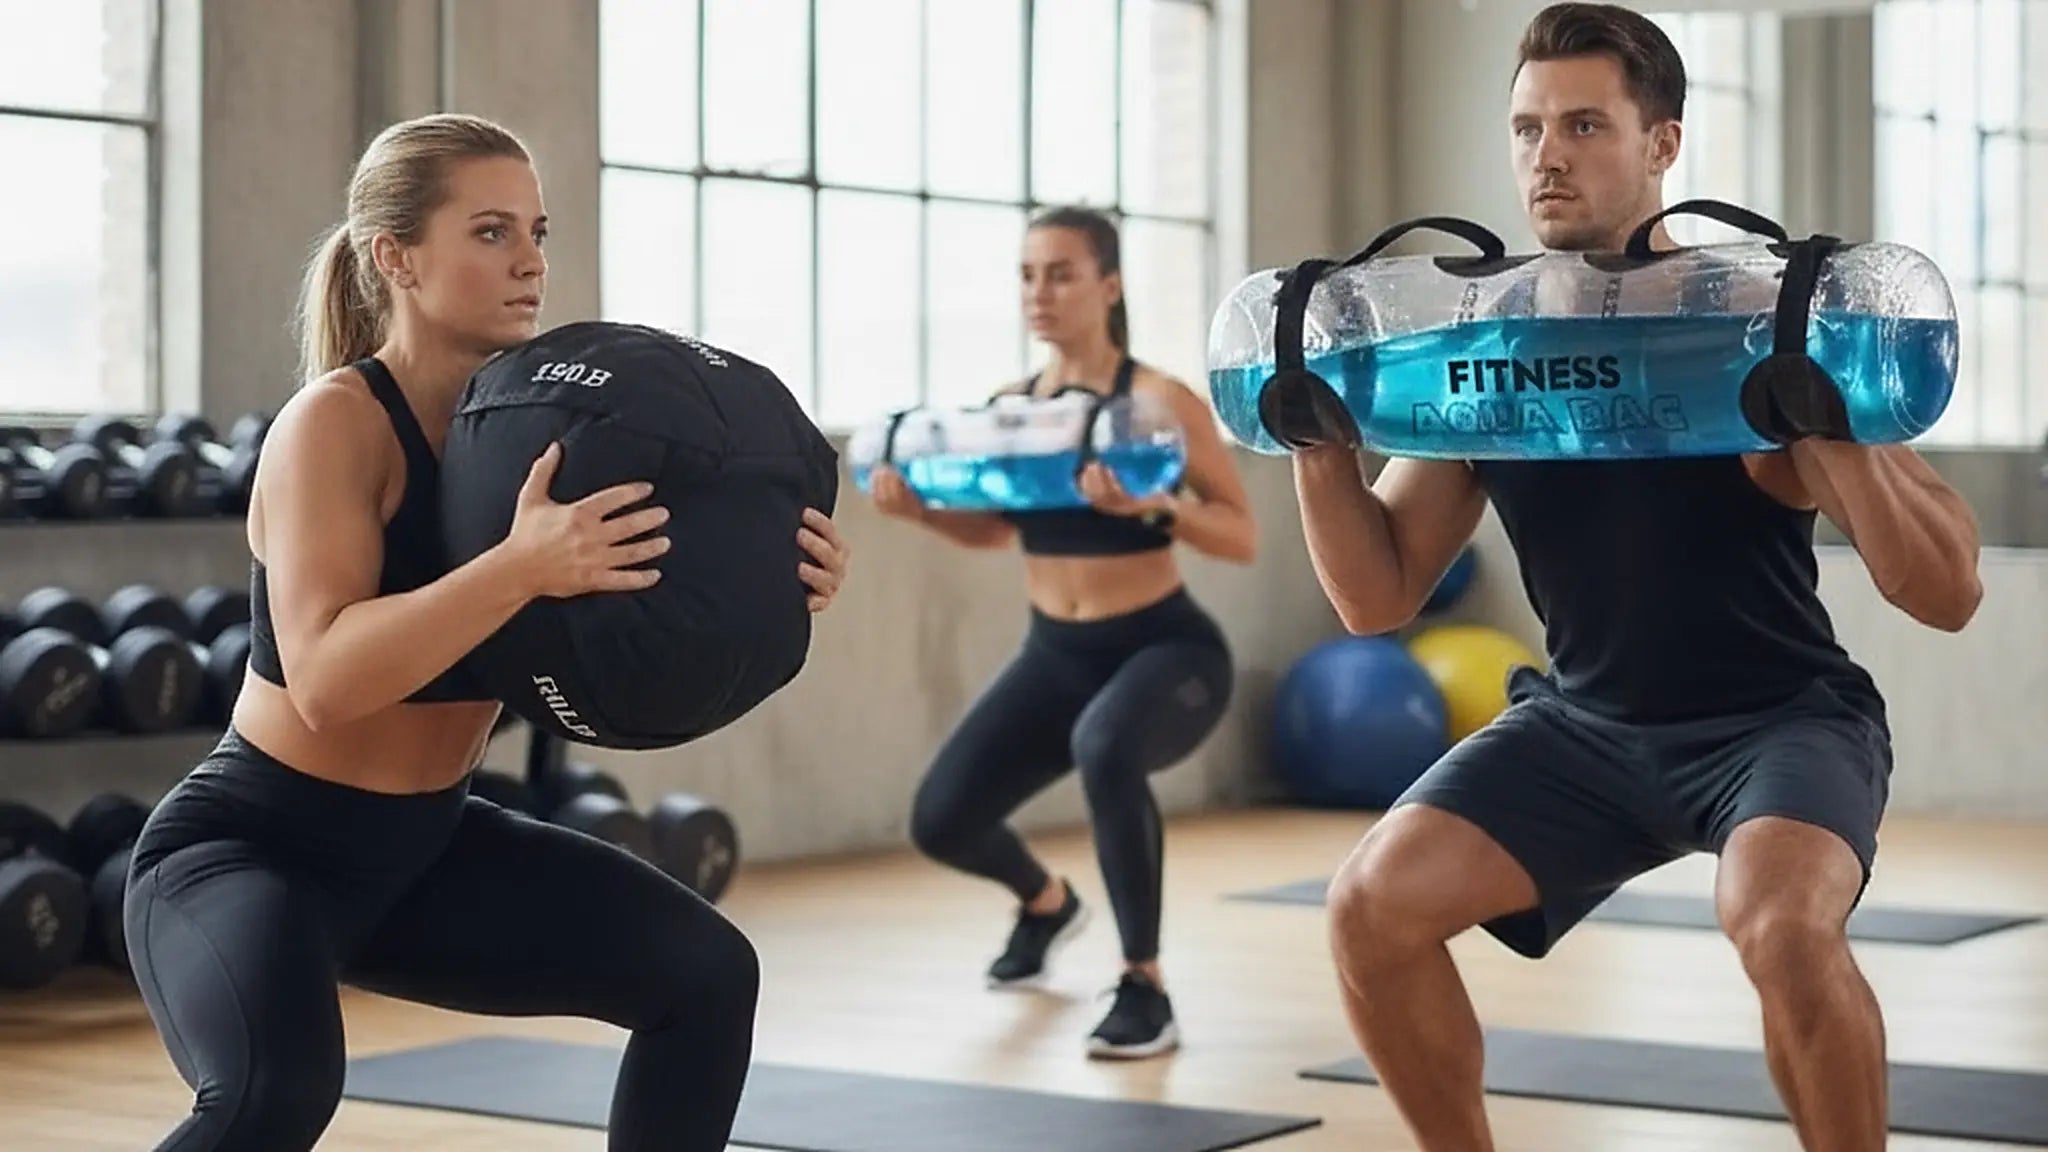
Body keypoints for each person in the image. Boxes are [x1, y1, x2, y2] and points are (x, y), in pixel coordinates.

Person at [1300, 5, 1983, 1150]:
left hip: (1774, 723)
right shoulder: (1489, 349)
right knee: (1369, 908)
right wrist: (1317, 449)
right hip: (1584, 728)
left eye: (1580, 125)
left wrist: (1833, 439)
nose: (1544, 156)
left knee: (1778, 928)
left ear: (1661, 145)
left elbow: (1949, 589)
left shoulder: (1746, 324)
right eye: (1524, 130)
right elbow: (1375, 596)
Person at [121, 112, 851, 1152]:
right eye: (492, 232)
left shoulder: (533, 429)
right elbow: (324, 679)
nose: (530, 264)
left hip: (426, 851)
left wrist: (772, 579)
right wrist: (517, 567)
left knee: (705, 976)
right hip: (253, 848)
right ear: (397, 257)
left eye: (538, 234)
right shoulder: (333, 425)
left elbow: (637, 597)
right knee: (270, 1092)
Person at [867, 206, 1258, 1059]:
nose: (1039, 293)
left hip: (1166, 650)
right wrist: (923, 511)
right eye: (1026, 275)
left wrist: (1152, 504)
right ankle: (1047, 903)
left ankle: (1144, 985)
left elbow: (1240, 532)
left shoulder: (1157, 403)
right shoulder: (1015, 409)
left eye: (1061, 273)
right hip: (1055, 655)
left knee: (1106, 746)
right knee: (941, 819)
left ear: (1109, 287)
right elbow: (998, 530)